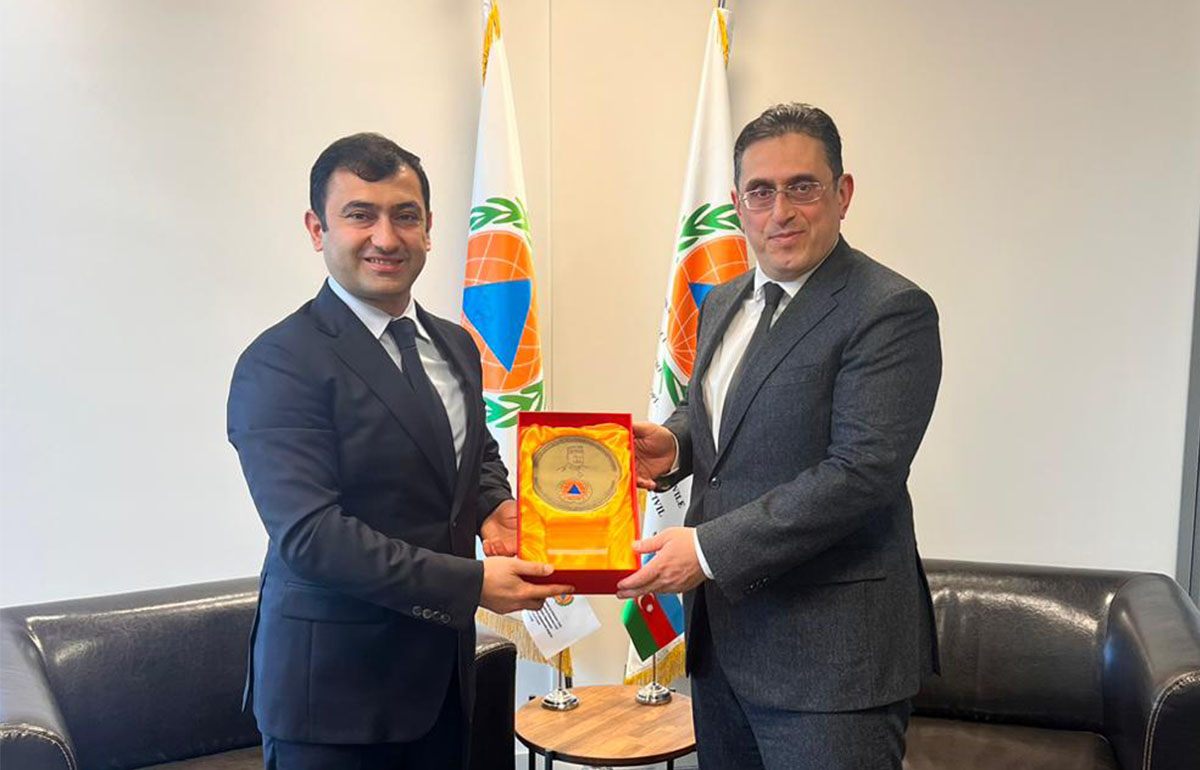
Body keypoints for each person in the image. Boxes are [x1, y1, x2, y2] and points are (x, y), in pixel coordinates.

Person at [227, 133, 572, 770]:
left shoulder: (455, 345)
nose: (386, 238)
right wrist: (473, 584)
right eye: (360, 214)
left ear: (429, 229)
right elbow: (311, 535)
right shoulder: (279, 363)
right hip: (334, 700)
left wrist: (494, 506)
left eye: (404, 215)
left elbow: (472, 452)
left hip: (445, 683)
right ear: (317, 228)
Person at [617, 103, 942, 769]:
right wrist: (677, 445)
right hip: (724, 647)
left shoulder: (889, 310)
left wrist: (705, 549)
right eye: (761, 192)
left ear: (842, 194)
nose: (781, 212)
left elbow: (861, 473)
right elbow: (727, 417)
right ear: (738, 204)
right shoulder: (723, 301)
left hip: (831, 663)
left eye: (802, 187)